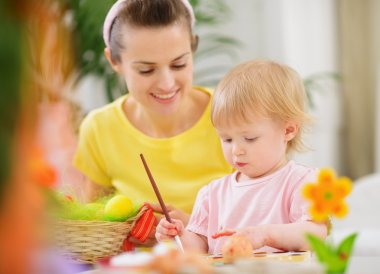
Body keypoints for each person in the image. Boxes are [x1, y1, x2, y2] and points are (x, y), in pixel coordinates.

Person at [73, 0, 232, 246]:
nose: (167, 84)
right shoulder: (99, 129)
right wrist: (130, 232)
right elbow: (94, 229)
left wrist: (197, 228)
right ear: (114, 61)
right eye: (146, 70)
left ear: (193, 47)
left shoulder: (232, 114)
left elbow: (270, 216)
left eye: (179, 64)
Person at [155, 60, 328, 254]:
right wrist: (179, 237)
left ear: (288, 130)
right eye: (227, 139)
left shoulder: (302, 182)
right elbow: (200, 248)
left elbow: (315, 234)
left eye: (249, 138)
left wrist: (265, 235)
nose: (236, 150)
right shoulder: (211, 194)